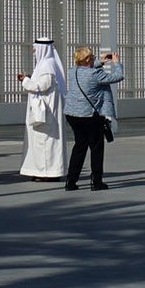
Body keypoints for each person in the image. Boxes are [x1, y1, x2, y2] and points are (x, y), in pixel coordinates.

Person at [63, 46, 124, 190]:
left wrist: (101, 62)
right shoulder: (96, 75)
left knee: (79, 146)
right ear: (87, 59)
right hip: (89, 115)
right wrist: (116, 63)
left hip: (72, 114)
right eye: (93, 57)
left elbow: (87, 70)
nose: (95, 58)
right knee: (96, 147)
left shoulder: (73, 71)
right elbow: (117, 77)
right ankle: (96, 181)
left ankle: (71, 181)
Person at [19, 38, 67, 181]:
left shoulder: (47, 65)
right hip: (44, 109)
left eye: (35, 49)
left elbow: (42, 85)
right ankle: (40, 171)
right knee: (40, 142)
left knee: (45, 142)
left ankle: (49, 173)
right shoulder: (44, 64)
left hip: (47, 112)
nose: (34, 52)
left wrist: (25, 81)